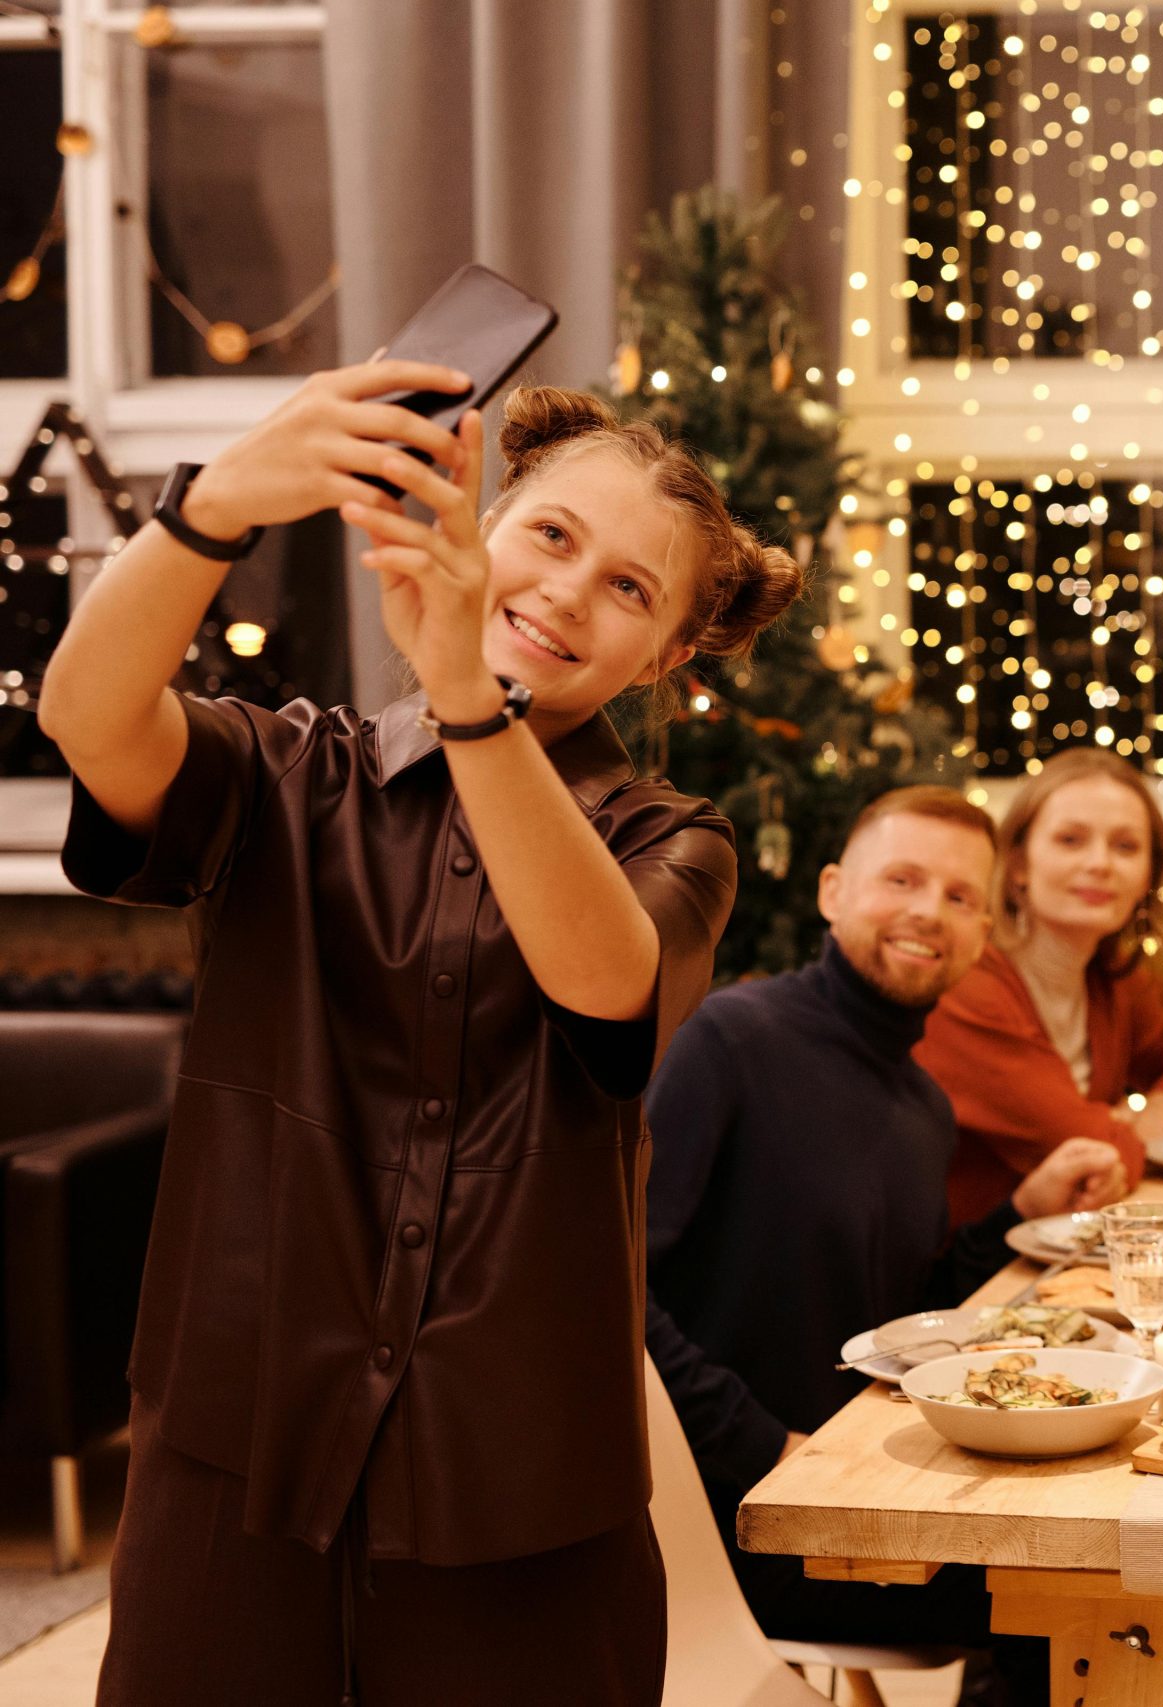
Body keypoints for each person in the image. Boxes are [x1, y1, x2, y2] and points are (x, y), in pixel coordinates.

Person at [42, 373, 802, 1704]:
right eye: (553, 536)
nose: (570, 592)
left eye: (631, 588)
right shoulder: (286, 771)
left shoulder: (674, 839)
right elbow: (86, 714)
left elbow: (605, 977)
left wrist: (468, 692)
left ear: (670, 656)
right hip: (238, 1449)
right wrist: (213, 506)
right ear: (487, 524)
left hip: (518, 1482)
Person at [643, 785, 1123, 1700]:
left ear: (985, 930)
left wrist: (1015, 1210)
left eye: (958, 896)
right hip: (741, 1522)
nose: (926, 912)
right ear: (831, 891)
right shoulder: (730, 1039)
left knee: (1112, 1544)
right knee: (1085, 1585)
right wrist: (765, 1447)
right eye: (899, 878)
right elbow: (614, 1288)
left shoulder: (922, 1104)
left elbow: (900, 1310)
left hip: (864, 1493)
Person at [916, 747, 1163, 1227]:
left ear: (1148, 877)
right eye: (1070, 840)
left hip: (1059, 1249)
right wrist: (1117, 1131)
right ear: (1017, 864)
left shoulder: (1111, 976)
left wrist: (1154, 1116)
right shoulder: (967, 985)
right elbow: (1088, 1144)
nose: (1100, 863)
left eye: (1126, 847)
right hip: (967, 1277)